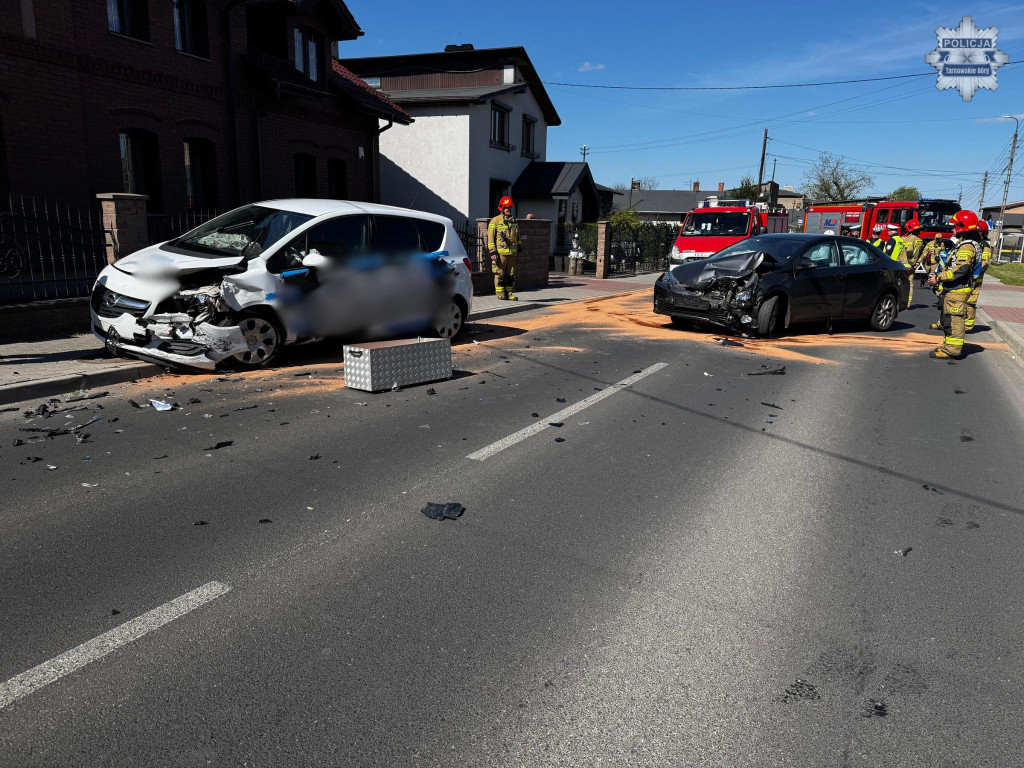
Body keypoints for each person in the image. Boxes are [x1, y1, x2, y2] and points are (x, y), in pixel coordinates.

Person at [927, 210, 982, 359]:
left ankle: (952, 350)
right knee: (948, 320)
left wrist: (939, 278)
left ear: (962, 227)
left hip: (957, 291)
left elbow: (961, 269)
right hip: (954, 290)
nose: (952, 229)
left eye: (955, 226)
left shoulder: (966, 247)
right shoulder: (965, 244)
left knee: (955, 321)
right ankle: (948, 346)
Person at [487, 196, 521, 301]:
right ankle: (500, 293)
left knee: (510, 274)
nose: (508, 209)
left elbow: (518, 236)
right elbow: (490, 238)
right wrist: (493, 252)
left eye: (510, 207)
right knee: (500, 273)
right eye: (506, 207)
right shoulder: (495, 221)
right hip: (500, 254)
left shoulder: (514, 221)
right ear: (501, 208)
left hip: (512, 254)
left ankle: (509, 293)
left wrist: (520, 248)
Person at [965, 219, 993, 332]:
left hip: (975, 279)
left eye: (979, 231)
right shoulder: (970, 243)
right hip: (965, 277)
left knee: (971, 301)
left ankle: (968, 325)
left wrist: (974, 275)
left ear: (983, 233)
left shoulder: (985, 246)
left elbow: (984, 263)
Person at [901, 219, 925, 305]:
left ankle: (901, 302)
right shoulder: (920, 240)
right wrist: (917, 263)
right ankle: (908, 302)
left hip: (905, 264)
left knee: (900, 283)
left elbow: (909, 252)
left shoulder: (910, 239)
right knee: (910, 284)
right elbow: (922, 253)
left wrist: (912, 263)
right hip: (912, 265)